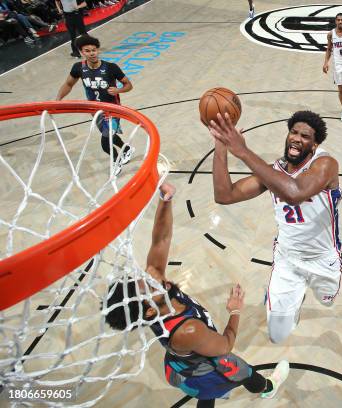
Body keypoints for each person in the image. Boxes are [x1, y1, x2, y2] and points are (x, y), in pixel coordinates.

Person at [103, 182, 290, 408]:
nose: (150, 276)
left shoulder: (155, 297)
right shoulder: (187, 330)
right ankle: (267, 388)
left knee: (207, 397)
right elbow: (225, 345)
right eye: (148, 286)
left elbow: (161, 239)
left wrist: (165, 200)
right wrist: (236, 310)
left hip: (181, 362)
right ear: (150, 309)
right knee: (242, 371)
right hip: (199, 372)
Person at [209, 110, 342, 344]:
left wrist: (241, 150)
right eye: (293, 132)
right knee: (277, 335)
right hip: (287, 257)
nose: (297, 138)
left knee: (327, 300)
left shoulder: (326, 164)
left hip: (322, 257)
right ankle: (292, 297)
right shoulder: (273, 172)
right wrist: (221, 147)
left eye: (305, 136)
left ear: (314, 145)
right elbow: (224, 195)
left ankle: (300, 294)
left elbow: (295, 194)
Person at [56, 34, 134, 175]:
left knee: (105, 142)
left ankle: (116, 162)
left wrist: (119, 90)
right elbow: (68, 84)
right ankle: (127, 149)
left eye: (94, 50)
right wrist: (58, 100)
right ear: (81, 52)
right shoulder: (78, 68)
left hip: (113, 110)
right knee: (109, 136)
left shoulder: (111, 68)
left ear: (98, 50)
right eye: (87, 50)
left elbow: (129, 85)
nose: (91, 53)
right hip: (95, 111)